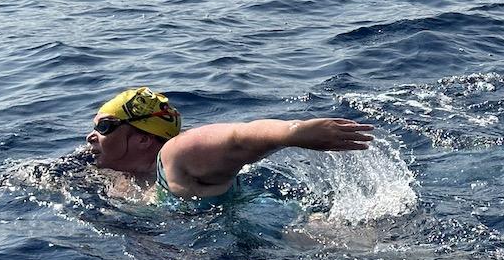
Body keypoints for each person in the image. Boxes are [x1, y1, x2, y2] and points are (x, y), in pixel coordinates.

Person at [86, 86, 373, 207]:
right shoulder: (113, 175)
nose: (91, 136)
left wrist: (293, 131)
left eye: (104, 127)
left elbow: (238, 138)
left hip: (284, 237)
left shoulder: (175, 156)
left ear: (143, 138)